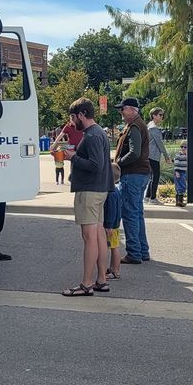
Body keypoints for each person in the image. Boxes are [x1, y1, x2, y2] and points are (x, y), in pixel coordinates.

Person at [62, 97, 113, 296]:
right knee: (99, 235)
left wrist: (73, 157)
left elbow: (95, 165)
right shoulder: (99, 132)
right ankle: (101, 279)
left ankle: (86, 283)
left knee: (89, 237)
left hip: (89, 191)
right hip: (100, 190)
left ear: (82, 114)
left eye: (74, 117)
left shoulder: (91, 135)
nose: (73, 121)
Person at [114, 97, 152, 264]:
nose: (121, 112)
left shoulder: (134, 126)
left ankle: (134, 253)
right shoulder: (138, 124)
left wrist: (118, 163)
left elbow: (135, 153)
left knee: (129, 214)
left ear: (131, 110)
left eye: (122, 109)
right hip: (140, 174)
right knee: (137, 214)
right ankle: (142, 251)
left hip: (132, 175)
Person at [145, 107, 172, 204]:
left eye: (162, 115)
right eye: (160, 115)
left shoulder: (149, 126)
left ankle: (147, 197)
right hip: (153, 155)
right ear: (154, 116)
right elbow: (160, 143)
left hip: (150, 155)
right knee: (155, 176)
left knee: (153, 176)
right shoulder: (153, 128)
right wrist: (166, 156)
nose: (162, 117)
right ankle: (152, 198)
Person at [104, 163, 123, 285]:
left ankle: (115, 271)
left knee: (114, 247)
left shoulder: (110, 193)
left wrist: (109, 225)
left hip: (112, 226)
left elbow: (111, 210)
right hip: (115, 224)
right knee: (113, 247)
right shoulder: (116, 191)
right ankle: (112, 268)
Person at [173, 143, 188, 207]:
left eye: (185, 147)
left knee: (181, 186)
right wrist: (176, 171)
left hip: (184, 172)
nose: (183, 148)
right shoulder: (179, 155)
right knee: (181, 186)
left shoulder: (187, 155)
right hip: (179, 172)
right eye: (182, 147)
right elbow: (176, 163)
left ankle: (178, 201)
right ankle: (179, 201)